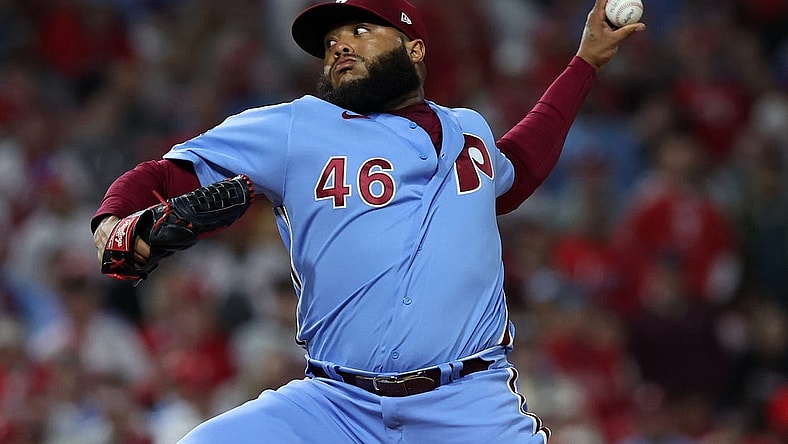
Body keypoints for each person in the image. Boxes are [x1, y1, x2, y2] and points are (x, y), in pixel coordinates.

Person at [91, 0, 644, 442]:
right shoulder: (295, 129)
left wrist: (584, 64)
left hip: (467, 406)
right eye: (330, 43)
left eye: (360, 31)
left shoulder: (468, 129)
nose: (339, 48)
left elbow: (516, 172)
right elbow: (163, 175)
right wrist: (111, 224)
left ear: (416, 48)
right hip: (336, 405)